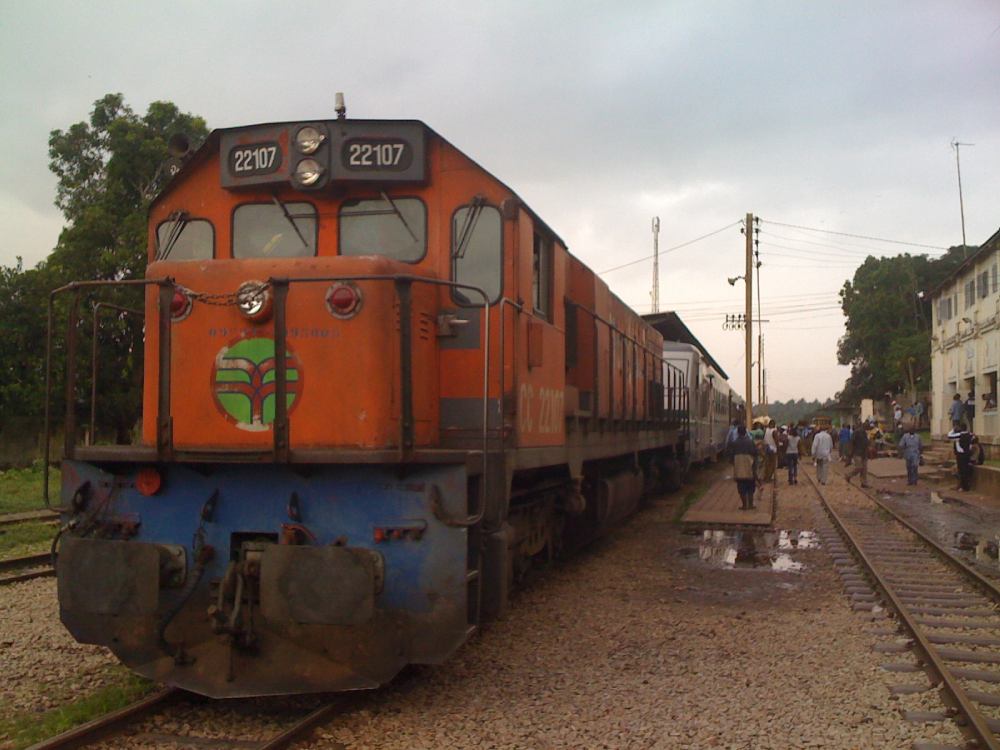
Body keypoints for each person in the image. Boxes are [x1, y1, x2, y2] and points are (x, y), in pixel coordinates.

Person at [729, 424, 759, 510]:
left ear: (738, 433)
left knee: (741, 488)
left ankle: (744, 505)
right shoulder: (750, 442)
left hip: (739, 469)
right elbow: (755, 453)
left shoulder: (734, 443)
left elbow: (731, 456)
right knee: (750, 488)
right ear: (745, 432)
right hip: (749, 468)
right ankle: (751, 504)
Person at [948, 425, 976, 492]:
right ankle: (965, 486)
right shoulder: (970, 435)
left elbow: (949, 436)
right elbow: (974, 438)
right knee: (966, 470)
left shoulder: (959, 436)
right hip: (967, 454)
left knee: (961, 471)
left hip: (961, 455)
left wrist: (953, 429)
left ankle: (964, 487)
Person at [845, 423, 871, 488]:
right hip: (857, 453)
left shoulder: (865, 433)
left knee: (864, 469)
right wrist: (850, 454)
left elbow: (866, 443)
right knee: (859, 467)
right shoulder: (857, 432)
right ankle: (848, 475)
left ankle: (864, 483)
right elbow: (851, 442)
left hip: (864, 453)